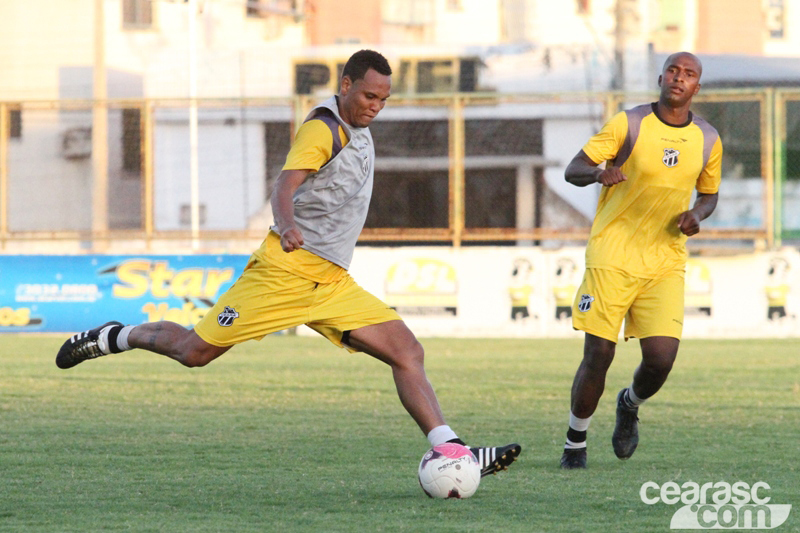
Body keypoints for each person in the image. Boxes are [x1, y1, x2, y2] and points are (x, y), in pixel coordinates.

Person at [56, 50, 521, 478]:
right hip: (284, 273)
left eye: (383, 98)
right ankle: (113, 336)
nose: (376, 105)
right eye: (368, 95)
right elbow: (285, 183)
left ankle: (452, 450)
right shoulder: (325, 128)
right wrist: (287, 222)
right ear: (345, 84)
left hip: (331, 282)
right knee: (195, 352)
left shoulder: (360, 131)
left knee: (407, 351)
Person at [559, 52, 722, 469]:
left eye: (688, 74)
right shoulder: (628, 123)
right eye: (673, 70)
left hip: (664, 259)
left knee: (661, 361)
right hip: (612, 253)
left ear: (696, 87)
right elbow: (574, 168)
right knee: (599, 353)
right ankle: (575, 443)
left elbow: (709, 193)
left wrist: (697, 215)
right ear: (661, 77)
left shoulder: (707, 139)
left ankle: (628, 404)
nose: (678, 78)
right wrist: (599, 174)